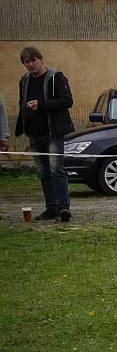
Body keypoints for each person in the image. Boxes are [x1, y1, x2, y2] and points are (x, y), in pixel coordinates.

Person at [14, 47, 74, 222]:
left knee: (57, 169)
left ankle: (64, 207)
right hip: (34, 133)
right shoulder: (24, 80)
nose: (31, 65)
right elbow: (21, 104)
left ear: (41, 59)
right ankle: (51, 207)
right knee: (43, 172)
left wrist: (41, 104)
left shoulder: (56, 77)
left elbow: (67, 101)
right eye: (27, 62)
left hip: (53, 132)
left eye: (33, 60)